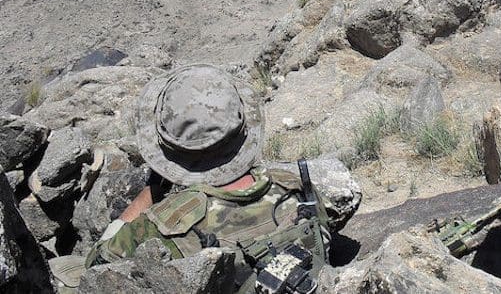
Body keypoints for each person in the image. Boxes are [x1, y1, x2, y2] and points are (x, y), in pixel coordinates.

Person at [83, 64, 330, 293]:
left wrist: (150, 192)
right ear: (241, 132)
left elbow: (96, 266)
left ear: (170, 152)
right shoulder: (296, 187)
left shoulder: (161, 225)